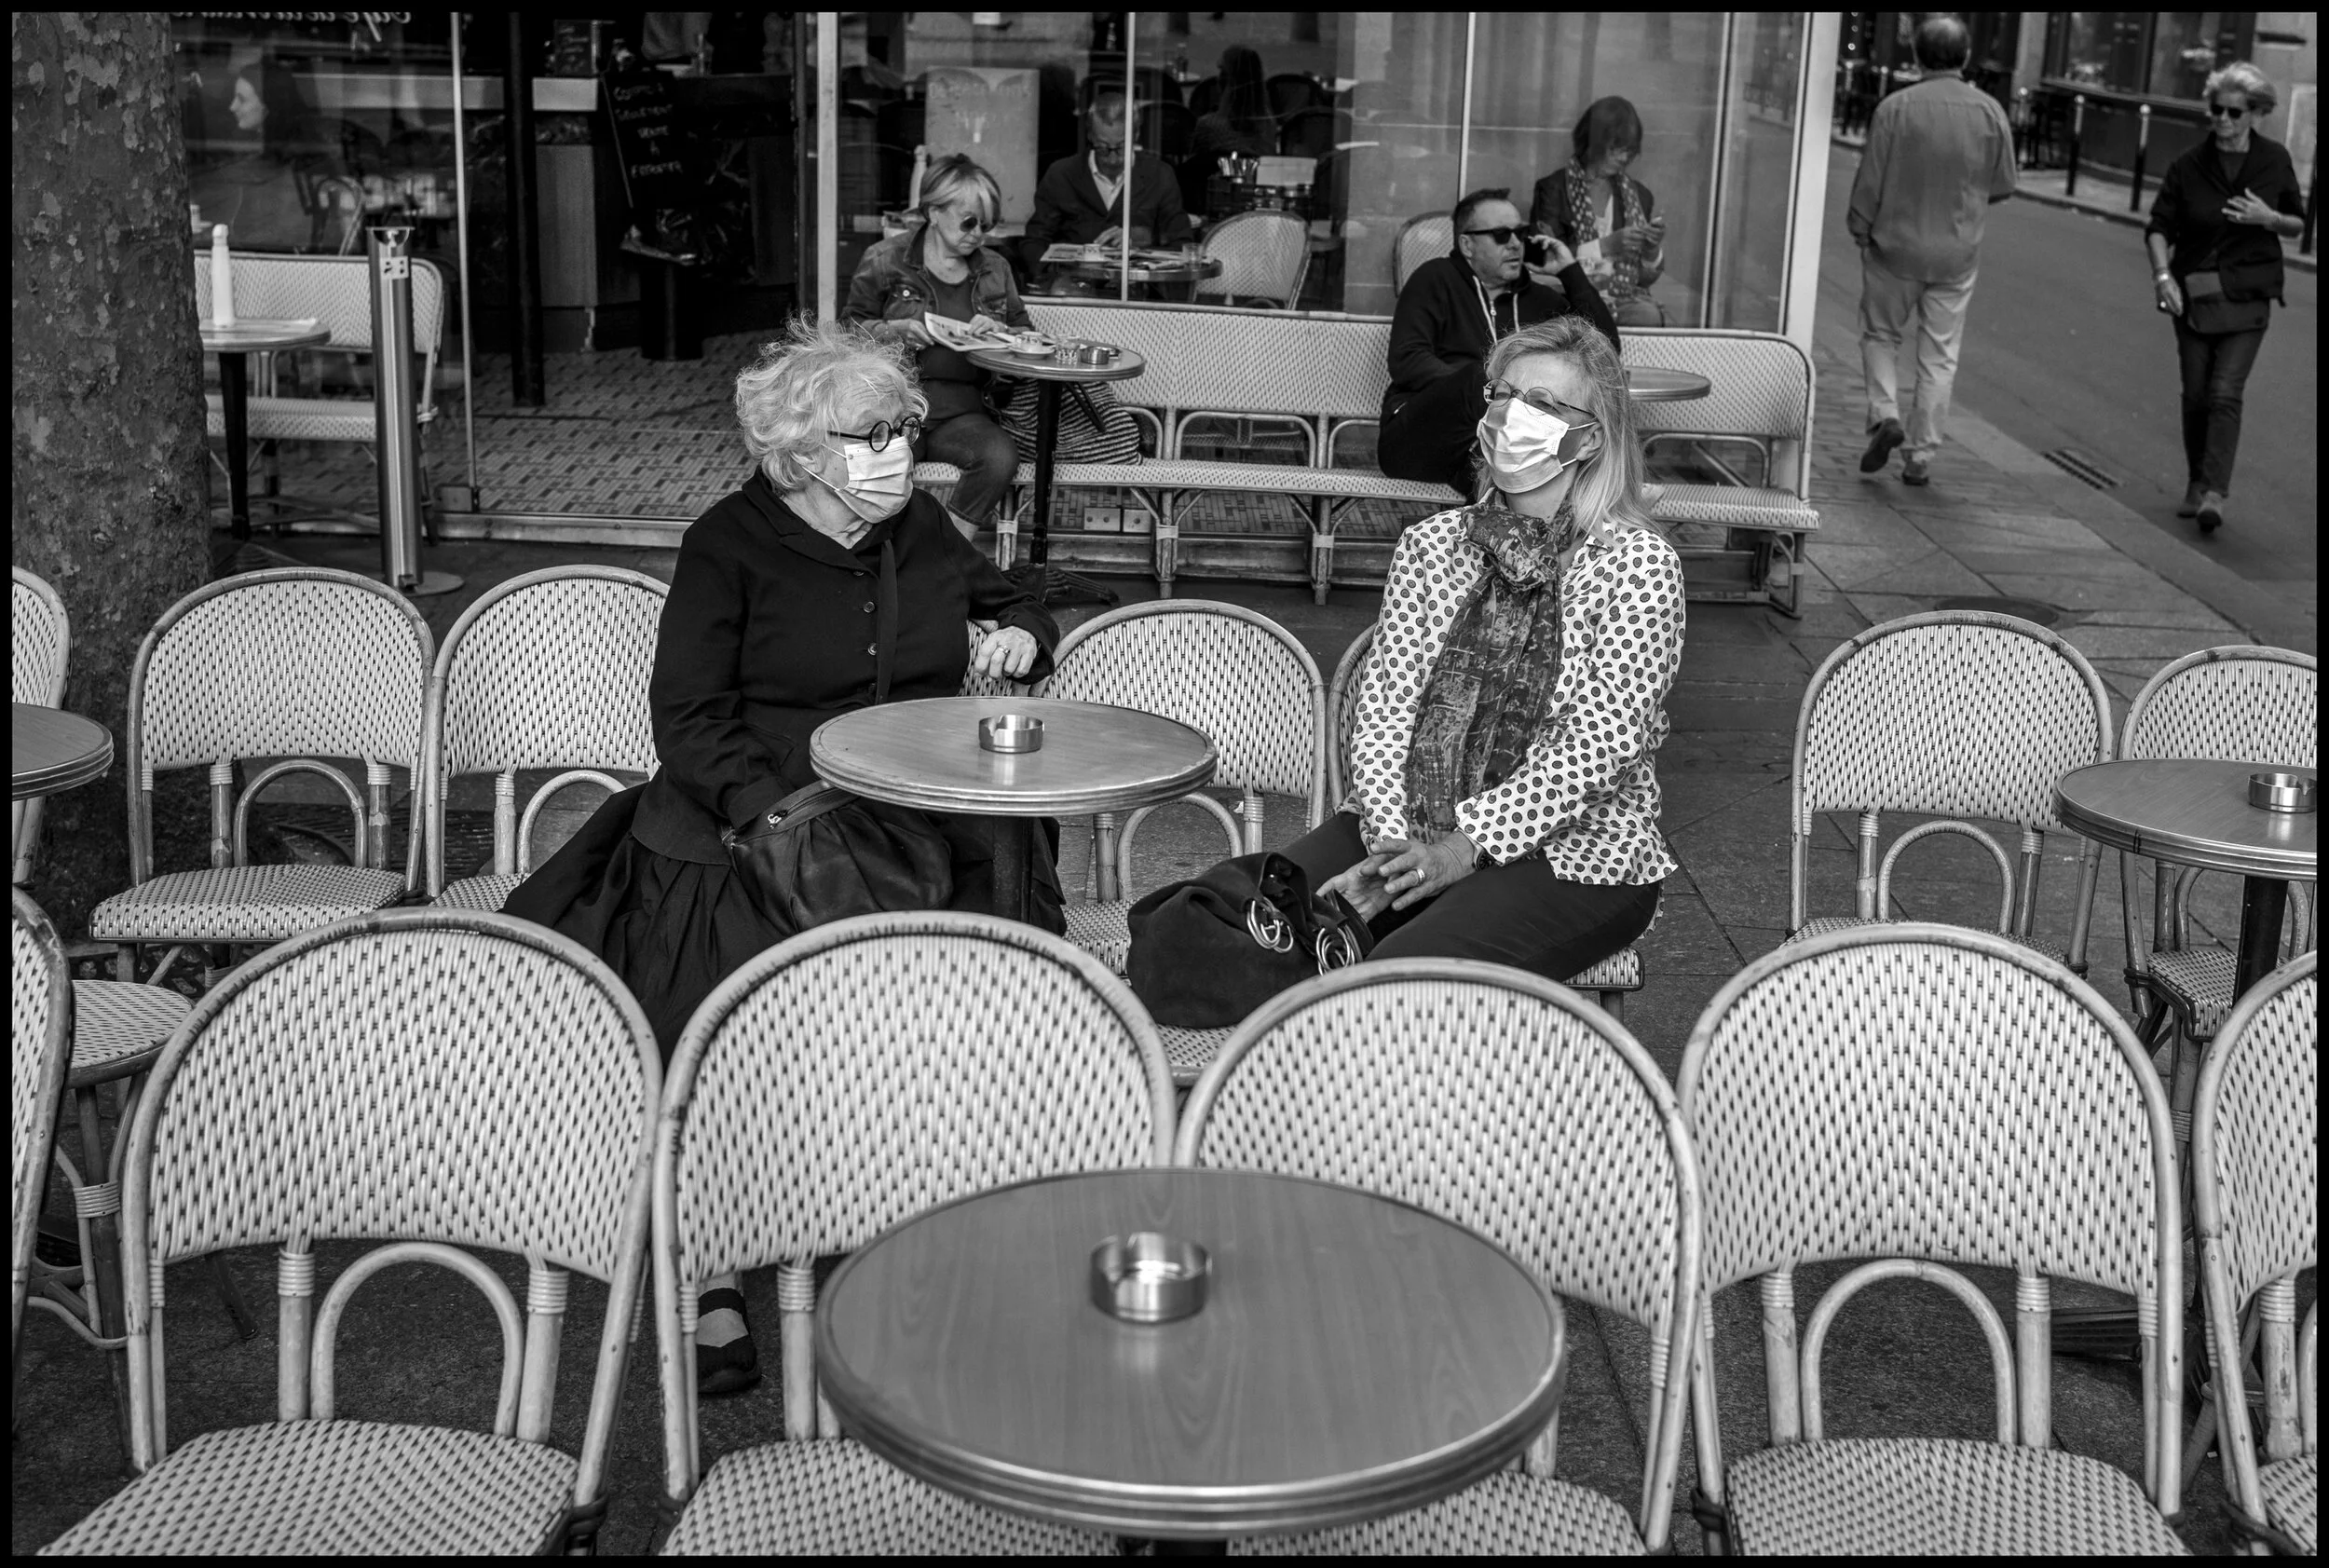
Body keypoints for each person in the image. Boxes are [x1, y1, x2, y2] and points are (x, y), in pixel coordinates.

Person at [501, 319, 1061, 1395]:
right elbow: (691, 718)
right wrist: (778, 820)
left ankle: (901, 1204)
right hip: (745, 816)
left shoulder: (921, 529)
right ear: (799, 452)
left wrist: (1023, 634)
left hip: (905, 815)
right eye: (872, 433)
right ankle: (712, 1262)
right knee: (727, 1006)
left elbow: (1019, 593)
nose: (900, 450)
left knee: (980, 966)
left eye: (904, 427)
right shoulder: (729, 542)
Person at [1251, 315, 1680, 980]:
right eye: (1502, 394)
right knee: (1256, 926)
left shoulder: (1635, 564)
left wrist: (1462, 847)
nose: (1512, 414)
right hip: (1414, 814)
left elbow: (1600, 745)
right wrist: (1399, 847)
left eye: (1540, 402)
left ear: (1590, 438)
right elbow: (1387, 710)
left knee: (1394, 981)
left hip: (1579, 851)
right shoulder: (1432, 545)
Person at [1845, 15, 2017, 487]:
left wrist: (1860, 224)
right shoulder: (1989, 113)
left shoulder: (1895, 109)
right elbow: (2002, 186)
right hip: (1955, 255)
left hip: (1893, 250)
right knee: (1939, 355)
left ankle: (1884, 414)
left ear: (1918, 57)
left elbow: (1871, 178)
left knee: (1881, 334)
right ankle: (1921, 456)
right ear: (1964, 58)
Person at [2144, 61, 2305, 534]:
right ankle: (2196, 482)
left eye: (2235, 113)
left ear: (2255, 113)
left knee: (2224, 393)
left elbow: (2297, 223)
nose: (2223, 120)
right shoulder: (2188, 166)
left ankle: (2215, 493)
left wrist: (2268, 218)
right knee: (2196, 396)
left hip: (2249, 297)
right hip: (2192, 299)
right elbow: (2157, 227)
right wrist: (2162, 277)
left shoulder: (2273, 160)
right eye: (2216, 110)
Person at [1381, 187, 1618, 497]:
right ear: (1467, 244)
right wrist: (1497, 392)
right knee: (1488, 383)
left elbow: (1604, 350)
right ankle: (1605, 493)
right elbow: (1407, 359)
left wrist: (1569, 272)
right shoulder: (1434, 280)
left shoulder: (1540, 299)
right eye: (1502, 235)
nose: (1516, 244)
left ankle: (1591, 496)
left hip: (1490, 448)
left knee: (1575, 405)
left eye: (1521, 233)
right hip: (1417, 437)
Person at [843, 154, 1029, 538]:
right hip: (896, 406)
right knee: (879, 464)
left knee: (999, 456)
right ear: (933, 211)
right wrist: (892, 330)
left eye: (987, 224)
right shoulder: (885, 260)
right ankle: (877, 558)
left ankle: (950, 553)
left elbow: (1025, 337)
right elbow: (847, 332)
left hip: (964, 411)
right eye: (969, 221)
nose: (978, 233)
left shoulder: (995, 269)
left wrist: (999, 333)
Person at [1022, 88, 1193, 293]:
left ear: (1136, 135)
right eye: (1103, 148)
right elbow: (1034, 242)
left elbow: (1182, 245)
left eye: (1121, 147)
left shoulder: (1160, 175)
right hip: (1073, 291)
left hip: (1140, 292)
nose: (1113, 159)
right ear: (1090, 136)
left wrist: (1138, 240)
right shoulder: (1062, 174)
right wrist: (1053, 278)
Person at [1529, 96, 1669, 329]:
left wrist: (1651, 249)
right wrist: (1605, 247)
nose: (1624, 158)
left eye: (1630, 151)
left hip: (1623, 302)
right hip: (1567, 296)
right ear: (1593, 143)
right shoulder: (1551, 189)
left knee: (1647, 315)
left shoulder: (1640, 195)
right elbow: (1537, 259)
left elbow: (1644, 280)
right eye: (1616, 149)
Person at [190, 59, 320, 252]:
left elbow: (277, 239)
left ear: (268, 107)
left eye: (242, 99)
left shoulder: (293, 170)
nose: (233, 107)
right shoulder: (264, 157)